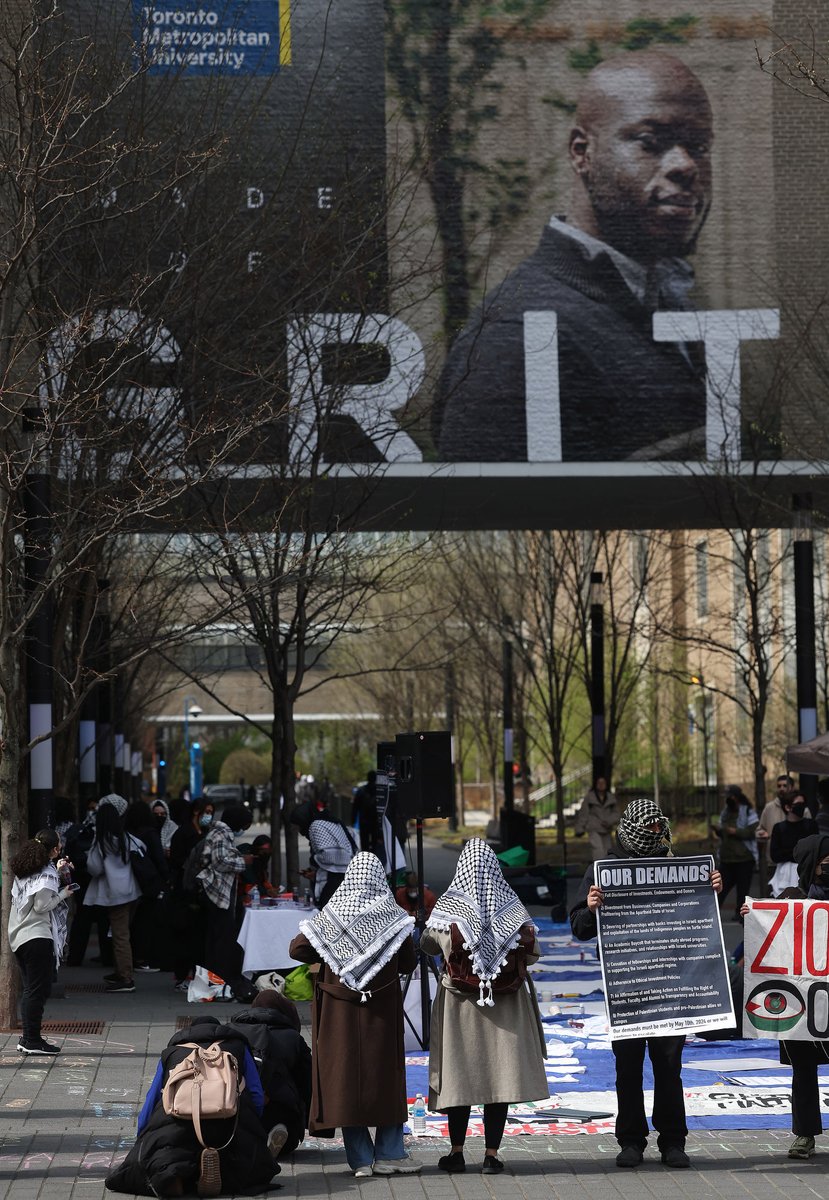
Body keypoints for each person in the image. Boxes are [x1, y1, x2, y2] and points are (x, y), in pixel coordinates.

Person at [434, 51, 713, 463]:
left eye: (699, 146)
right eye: (651, 143)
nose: (686, 165)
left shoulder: (662, 300)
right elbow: (483, 518)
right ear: (582, 153)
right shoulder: (518, 339)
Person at [570, 798, 722, 1169]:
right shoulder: (602, 870)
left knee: (669, 1065)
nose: (658, 834)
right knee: (628, 1065)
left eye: (660, 827)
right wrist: (590, 908)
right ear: (634, 828)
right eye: (650, 828)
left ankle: (673, 1141)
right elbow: (578, 927)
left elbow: (699, 916)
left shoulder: (675, 866)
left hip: (669, 984)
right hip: (628, 987)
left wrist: (711, 890)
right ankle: (631, 1140)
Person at [289, 852, 421, 1177]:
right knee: (386, 1079)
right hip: (381, 1013)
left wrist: (331, 953)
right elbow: (407, 963)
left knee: (345, 1081)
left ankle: (361, 1160)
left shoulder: (332, 916)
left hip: (339, 1016)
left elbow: (296, 949)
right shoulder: (394, 917)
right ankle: (390, 1153)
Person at [421, 838, 548, 1175]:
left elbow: (430, 946)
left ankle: (457, 1151)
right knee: (499, 1079)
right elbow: (533, 953)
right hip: (506, 1006)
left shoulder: (449, 909)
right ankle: (492, 1155)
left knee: (460, 1079)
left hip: (460, 1007)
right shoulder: (513, 907)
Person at [105, 1016, 277, 1197]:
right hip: (229, 1120)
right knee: (249, 1160)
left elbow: (154, 1097)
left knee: (159, 1154)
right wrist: (252, 1124)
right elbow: (256, 1094)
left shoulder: (172, 1052)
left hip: (179, 1121)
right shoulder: (238, 1047)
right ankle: (223, 1173)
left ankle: (174, 1175)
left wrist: (144, 1135)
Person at [741, 832, 829, 1161]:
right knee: (803, 1069)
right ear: (810, 865)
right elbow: (767, 930)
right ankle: (805, 1134)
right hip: (802, 1005)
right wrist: (750, 918)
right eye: (824, 862)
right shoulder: (792, 899)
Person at [8, 829, 75, 1055]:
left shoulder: (26, 869)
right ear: (55, 849)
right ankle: (31, 1040)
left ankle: (29, 1038)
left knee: (31, 989)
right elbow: (42, 906)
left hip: (19, 935)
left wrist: (55, 871)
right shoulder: (47, 874)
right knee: (37, 990)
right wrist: (64, 893)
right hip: (36, 936)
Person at [230, 990, 312, 1158]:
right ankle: (277, 1134)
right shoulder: (292, 1037)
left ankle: (247, 1142)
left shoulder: (232, 1033)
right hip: (280, 1109)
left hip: (239, 1110)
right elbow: (307, 1080)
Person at [83, 794, 145, 993]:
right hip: (131, 891)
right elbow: (141, 848)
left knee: (120, 936)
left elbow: (94, 868)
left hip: (115, 894)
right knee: (122, 933)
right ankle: (121, 972)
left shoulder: (103, 841)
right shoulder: (125, 838)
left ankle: (126, 978)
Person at [196, 804, 257, 1002]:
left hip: (217, 893)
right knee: (221, 940)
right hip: (217, 893)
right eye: (245, 825)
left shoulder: (219, 832)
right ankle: (219, 983)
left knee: (217, 940)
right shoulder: (221, 834)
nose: (245, 830)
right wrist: (243, 862)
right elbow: (220, 861)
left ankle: (216, 982)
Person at [290, 799, 356, 906]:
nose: (299, 830)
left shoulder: (315, 826)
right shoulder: (328, 821)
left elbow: (328, 856)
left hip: (335, 879)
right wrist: (315, 872)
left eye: (299, 825)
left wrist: (317, 864)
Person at [713, 785, 758, 920]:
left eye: (730, 796)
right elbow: (723, 833)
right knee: (720, 888)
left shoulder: (748, 811)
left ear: (736, 797)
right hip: (727, 859)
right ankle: (713, 913)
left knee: (742, 890)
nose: (727, 799)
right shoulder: (725, 812)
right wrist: (719, 830)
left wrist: (735, 831)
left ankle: (740, 915)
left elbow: (752, 832)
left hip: (744, 858)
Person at [768, 790, 818, 896]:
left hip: (806, 873)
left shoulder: (811, 825)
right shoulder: (779, 828)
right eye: (798, 804)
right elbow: (775, 855)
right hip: (784, 874)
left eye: (803, 804)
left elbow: (814, 851)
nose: (802, 807)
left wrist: (788, 852)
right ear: (787, 807)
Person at [574, 776, 621, 861]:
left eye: (603, 783)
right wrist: (579, 828)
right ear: (595, 784)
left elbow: (616, 814)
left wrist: (609, 821)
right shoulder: (589, 797)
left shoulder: (611, 798)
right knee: (598, 851)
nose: (601, 785)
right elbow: (584, 813)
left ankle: (607, 871)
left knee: (608, 851)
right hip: (593, 828)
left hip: (606, 828)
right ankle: (599, 871)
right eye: (599, 783)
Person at [756, 774, 792, 843]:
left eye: (785, 786)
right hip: (773, 852)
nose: (781, 788)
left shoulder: (801, 808)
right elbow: (759, 830)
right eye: (779, 786)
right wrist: (762, 834)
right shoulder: (769, 807)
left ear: (792, 787)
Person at [351, 770, 379, 852]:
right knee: (375, 844)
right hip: (375, 821)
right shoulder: (379, 791)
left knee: (364, 843)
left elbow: (355, 807)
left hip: (364, 820)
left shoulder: (361, 791)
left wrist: (353, 819)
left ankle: (366, 858)